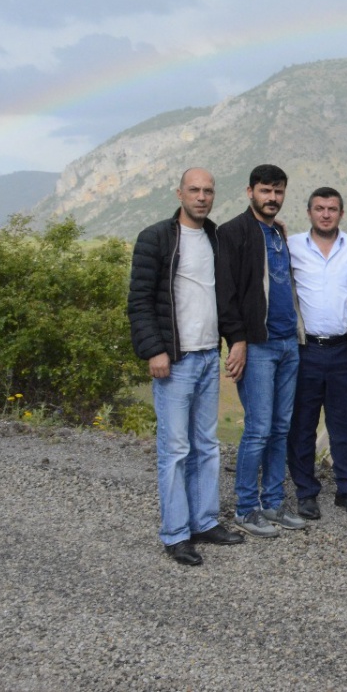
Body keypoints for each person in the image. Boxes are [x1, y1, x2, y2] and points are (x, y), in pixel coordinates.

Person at [127, 167, 246, 565]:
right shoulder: (156, 238)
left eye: (208, 190)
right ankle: (176, 534)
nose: (201, 197)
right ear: (179, 193)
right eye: (194, 190)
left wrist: (235, 339)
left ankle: (205, 521)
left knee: (206, 446)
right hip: (175, 360)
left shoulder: (216, 237)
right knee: (176, 450)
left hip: (208, 355)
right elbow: (139, 300)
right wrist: (154, 350)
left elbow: (226, 295)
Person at [218, 164, 308, 538]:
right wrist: (237, 340)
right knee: (258, 429)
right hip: (257, 346)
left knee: (280, 428)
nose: (272, 197)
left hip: (288, 343)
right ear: (250, 191)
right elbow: (225, 293)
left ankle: (272, 502)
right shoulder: (232, 232)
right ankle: (245, 508)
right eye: (265, 190)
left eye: (278, 191)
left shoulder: (277, 233)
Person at [286, 186, 347, 521]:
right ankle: (306, 492)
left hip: (343, 349)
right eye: (319, 208)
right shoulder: (292, 246)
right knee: (302, 424)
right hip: (304, 350)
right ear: (309, 212)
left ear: (341, 213)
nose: (325, 214)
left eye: (331, 209)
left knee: (345, 423)